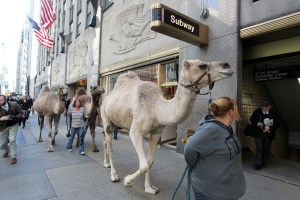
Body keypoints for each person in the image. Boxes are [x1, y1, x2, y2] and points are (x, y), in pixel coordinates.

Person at [184, 96, 246, 200]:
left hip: (227, 191)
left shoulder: (226, 128)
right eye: (235, 110)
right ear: (231, 112)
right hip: (210, 193)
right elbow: (189, 150)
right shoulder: (210, 130)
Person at [250, 101, 281, 170]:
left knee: (266, 148)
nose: (264, 107)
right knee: (259, 148)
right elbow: (252, 119)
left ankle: (264, 162)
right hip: (258, 133)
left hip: (269, 134)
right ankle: (258, 164)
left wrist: (270, 127)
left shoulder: (274, 113)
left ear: (269, 107)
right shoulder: (257, 112)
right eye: (263, 106)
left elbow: (278, 123)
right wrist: (257, 123)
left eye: (266, 106)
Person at [0, 95, 23, 165]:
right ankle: (7, 150)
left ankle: (13, 157)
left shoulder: (14, 104)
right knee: (3, 143)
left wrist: (15, 118)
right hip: (2, 127)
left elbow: (21, 112)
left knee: (12, 140)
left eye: (1, 100)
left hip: (13, 125)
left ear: (5, 100)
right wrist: (1, 119)